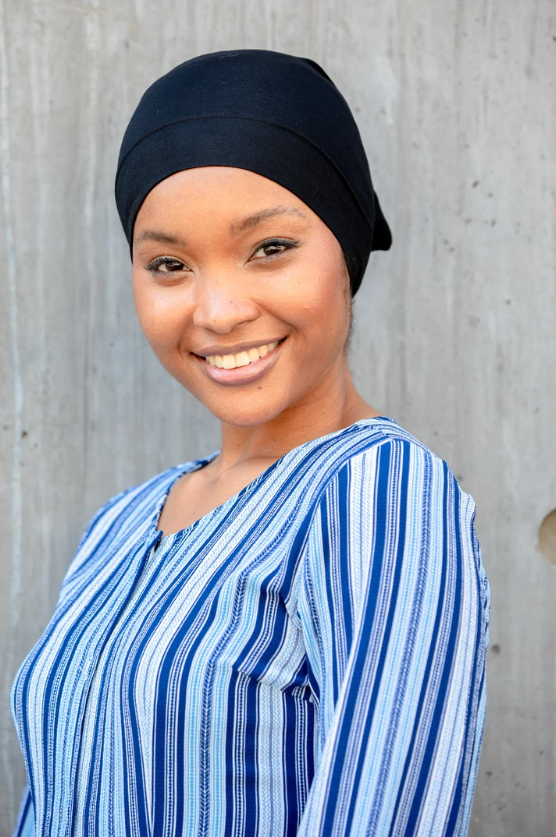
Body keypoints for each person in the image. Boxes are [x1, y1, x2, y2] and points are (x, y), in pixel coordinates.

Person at [11, 50, 489, 837]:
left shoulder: (382, 495)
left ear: (344, 250)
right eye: (169, 263)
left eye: (269, 248)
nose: (220, 310)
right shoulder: (121, 523)